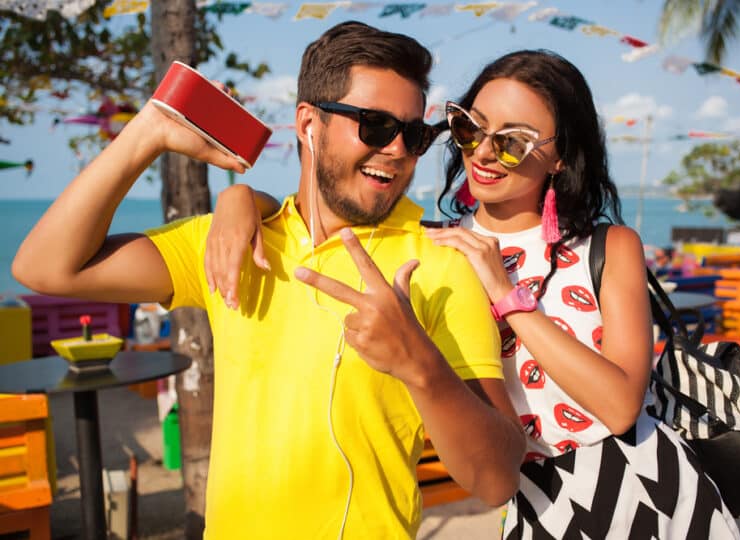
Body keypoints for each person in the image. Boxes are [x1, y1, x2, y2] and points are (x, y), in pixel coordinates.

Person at [12, 22, 526, 539]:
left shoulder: (439, 264)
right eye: (374, 125)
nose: (397, 150)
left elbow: (497, 479)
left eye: (414, 135)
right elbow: (45, 267)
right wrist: (149, 134)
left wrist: (422, 368)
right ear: (309, 123)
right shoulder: (229, 241)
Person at [208, 49, 740, 538]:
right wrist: (240, 198)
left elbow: (622, 406)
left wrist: (507, 295)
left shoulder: (607, 247)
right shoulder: (436, 247)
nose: (483, 153)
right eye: (470, 129)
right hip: (535, 500)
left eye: (511, 142)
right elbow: (317, 205)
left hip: (644, 486)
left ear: (559, 157)